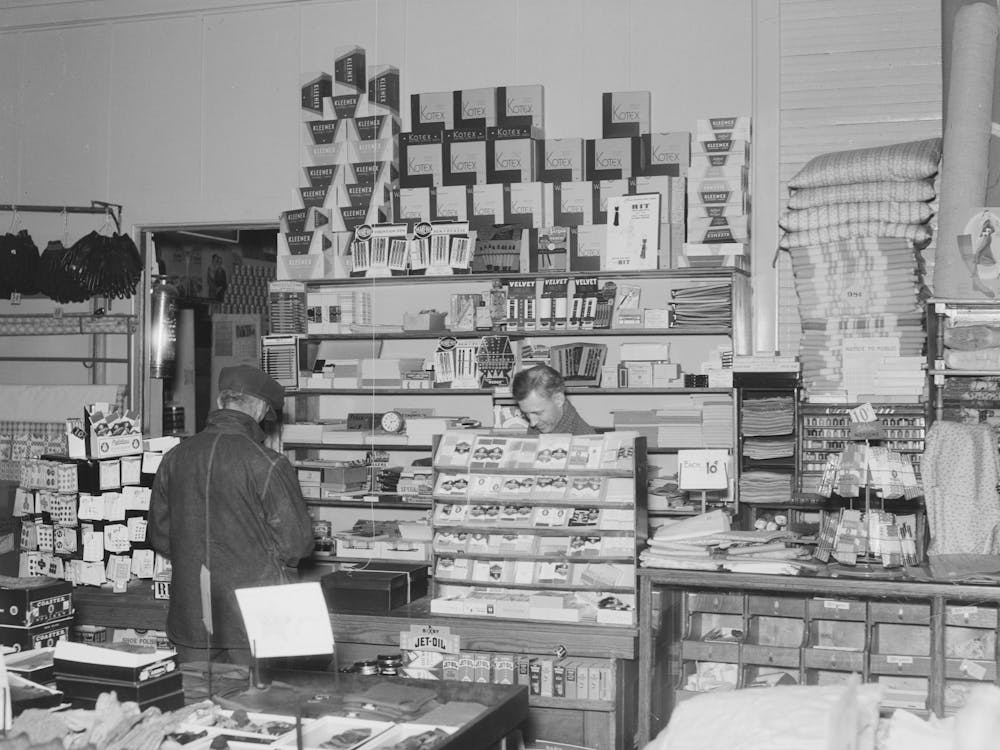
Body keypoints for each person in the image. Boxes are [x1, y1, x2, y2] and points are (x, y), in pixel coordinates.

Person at [149, 365, 314, 664]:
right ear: (262, 408)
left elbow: (160, 537)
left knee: (196, 708)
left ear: (220, 402)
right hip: (255, 619)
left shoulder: (174, 458)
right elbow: (298, 544)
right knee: (258, 707)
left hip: (192, 616)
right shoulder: (268, 463)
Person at [512, 364, 595, 435]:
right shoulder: (541, 426)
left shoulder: (585, 439)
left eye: (538, 413)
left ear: (558, 400)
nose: (533, 423)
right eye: (526, 414)